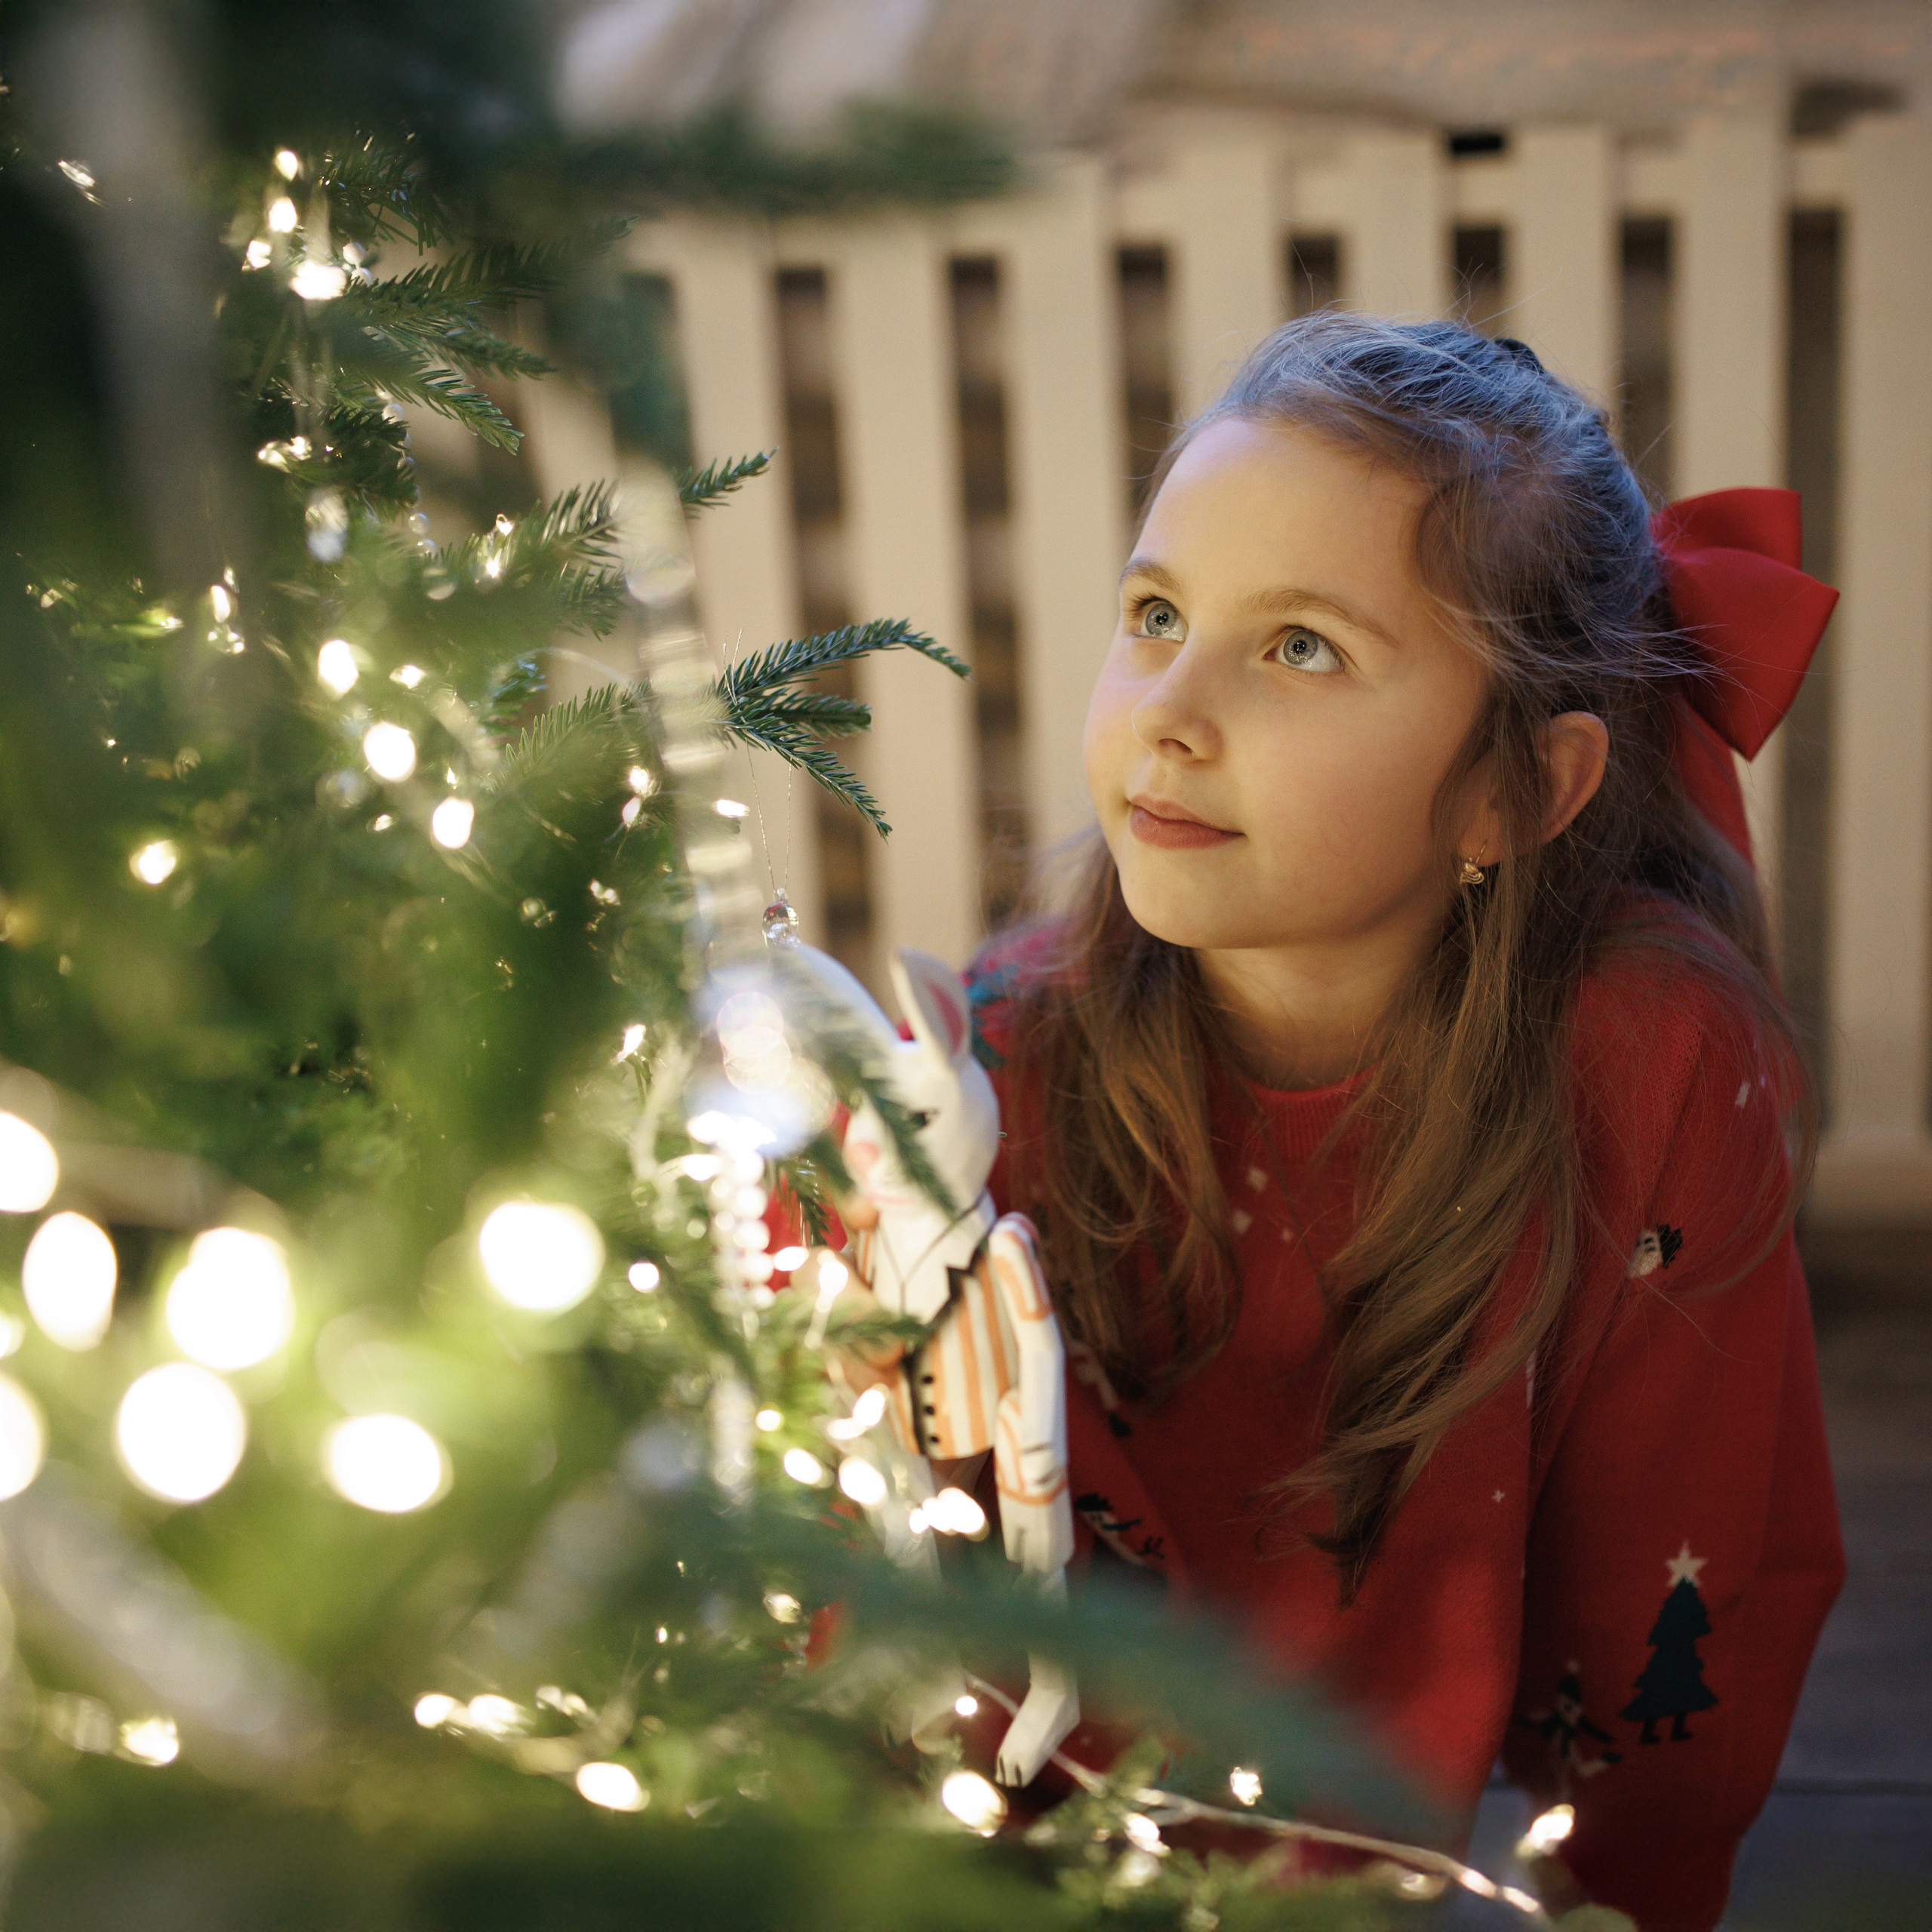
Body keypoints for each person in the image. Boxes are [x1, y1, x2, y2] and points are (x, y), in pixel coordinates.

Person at [950, 314, 1844, 1932]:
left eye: (1297, 647)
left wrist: (1626, 1891)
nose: (1168, 708)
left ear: (1518, 790)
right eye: (1155, 614)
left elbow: (1698, 1551)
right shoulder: (995, 1054)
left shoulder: (1644, 1061)